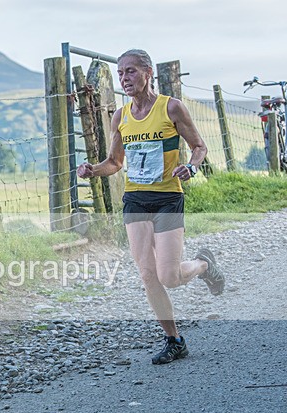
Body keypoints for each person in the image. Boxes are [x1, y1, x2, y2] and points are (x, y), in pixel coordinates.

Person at [77, 49, 225, 365]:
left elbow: (199, 146)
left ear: (148, 73)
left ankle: (203, 264)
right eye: (120, 74)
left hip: (168, 199)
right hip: (136, 201)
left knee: (169, 276)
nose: (124, 79)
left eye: (130, 71)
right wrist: (93, 170)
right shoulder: (121, 116)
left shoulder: (171, 108)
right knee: (148, 274)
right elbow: (115, 162)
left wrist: (191, 167)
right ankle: (174, 340)